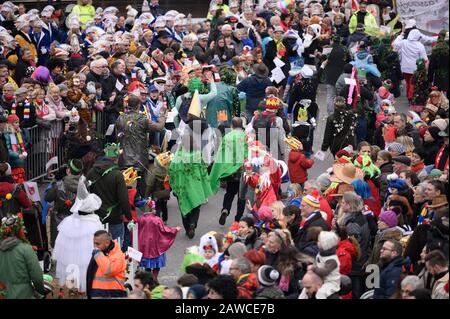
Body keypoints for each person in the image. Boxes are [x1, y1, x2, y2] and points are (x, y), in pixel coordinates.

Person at [53, 175, 103, 294]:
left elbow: (62, 253)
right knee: (85, 273)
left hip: (71, 265)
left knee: (71, 280)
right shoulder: (94, 224)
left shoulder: (69, 223)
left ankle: (72, 290)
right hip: (86, 265)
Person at [116, 94, 167, 197]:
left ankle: (127, 201)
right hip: (140, 158)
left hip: (124, 156)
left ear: (127, 105)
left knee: (125, 182)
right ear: (138, 105)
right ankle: (142, 201)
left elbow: (118, 136)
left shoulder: (120, 118)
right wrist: (162, 114)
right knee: (142, 182)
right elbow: (159, 128)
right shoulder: (143, 119)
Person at [87, 143, 132, 244]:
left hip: (96, 217)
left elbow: (86, 194)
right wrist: (129, 217)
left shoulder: (91, 172)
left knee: (98, 245)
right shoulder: (117, 175)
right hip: (114, 217)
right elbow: (123, 199)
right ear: (116, 159)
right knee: (116, 245)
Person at [0, 214, 46, 299]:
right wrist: (41, 291)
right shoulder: (26, 249)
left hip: (4, 294)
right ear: (19, 230)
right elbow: (37, 277)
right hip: (24, 294)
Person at [138, 199, 181, 282]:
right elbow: (164, 230)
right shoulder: (157, 219)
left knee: (147, 263)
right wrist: (175, 229)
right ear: (152, 209)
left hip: (144, 246)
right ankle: (154, 276)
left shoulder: (140, 220)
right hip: (156, 245)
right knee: (157, 263)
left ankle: (148, 276)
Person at [86, 230, 127, 298]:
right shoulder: (100, 254)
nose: (95, 247)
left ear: (107, 243)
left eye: (97, 244)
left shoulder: (118, 255)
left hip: (113, 294)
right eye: (94, 244)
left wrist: (97, 253)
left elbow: (108, 271)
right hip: (97, 293)